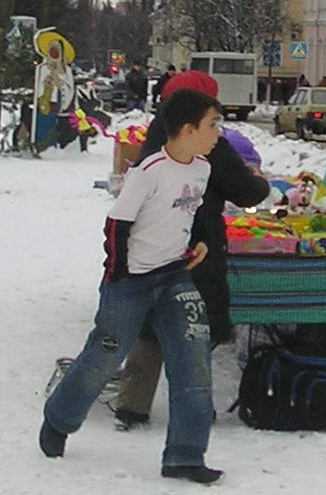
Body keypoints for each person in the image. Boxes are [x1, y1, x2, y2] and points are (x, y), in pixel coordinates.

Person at [38, 89, 226, 485]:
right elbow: (117, 224)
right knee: (104, 357)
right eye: (212, 125)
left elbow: (191, 213)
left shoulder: (202, 168)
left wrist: (200, 242)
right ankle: (59, 419)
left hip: (175, 278)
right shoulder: (149, 170)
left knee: (193, 363)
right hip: (130, 283)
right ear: (187, 129)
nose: (218, 133)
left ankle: (185, 455)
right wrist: (120, 275)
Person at [113, 70, 270, 430]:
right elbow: (245, 190)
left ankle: (132, 405)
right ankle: (195, 411)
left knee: (150, 326)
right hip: (197, 247)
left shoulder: (158, 135)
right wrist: (258, 182)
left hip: (152, 246)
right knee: (195, 330)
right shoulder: (207, 143)